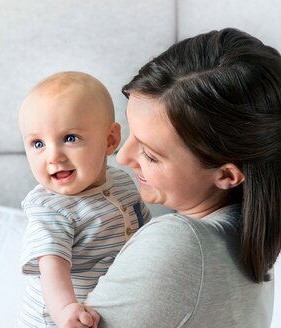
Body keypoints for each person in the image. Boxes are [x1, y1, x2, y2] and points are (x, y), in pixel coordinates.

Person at [83, 28, 281, 327]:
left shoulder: (180, 244)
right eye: (131, 133)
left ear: (227, 174)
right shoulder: (252, 245)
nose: (122, 157)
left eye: (150, 154)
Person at [17, 71, 150, 327]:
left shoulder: (122, 182)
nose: (53, 156)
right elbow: (52, 268)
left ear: (110, 140)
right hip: (58, 320)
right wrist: (65, 309)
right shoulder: (51, 209)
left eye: (70, 138)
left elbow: (143, 232)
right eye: (37, 144)